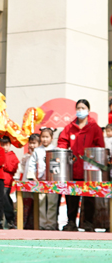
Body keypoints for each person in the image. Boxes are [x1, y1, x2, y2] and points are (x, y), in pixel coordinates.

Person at [58, 98, 104, 231]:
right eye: (78, 108)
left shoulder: (94, 128)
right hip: (72, 168)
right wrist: (64, 152)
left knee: (89, 197)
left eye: (83, 108)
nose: (80, 111)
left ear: (88, 110)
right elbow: (62, 142)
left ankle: (88, 223)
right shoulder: (69, 127)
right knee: (71, 196)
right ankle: (71, 222)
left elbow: (100, 146)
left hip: (90, 169)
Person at [24, 127, 58, 230]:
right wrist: (32, 177)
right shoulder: (37, 151)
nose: (45, 139)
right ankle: (42, 224)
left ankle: (51, 224)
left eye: (47, 137)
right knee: (41, 202)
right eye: (43, 137)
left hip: (53, 181)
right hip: (40, 181)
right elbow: (31, 164)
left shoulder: (55, 150)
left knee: (52, 202)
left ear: (51, 138)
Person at [0, 135, 19, 228]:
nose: (4, 147)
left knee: (7, 202)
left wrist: (3, 164)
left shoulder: (12, 155)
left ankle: (11, 220)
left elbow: (14, 168)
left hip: (7, 183)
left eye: (6, 145)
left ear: (10, 145)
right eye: (2, 145)